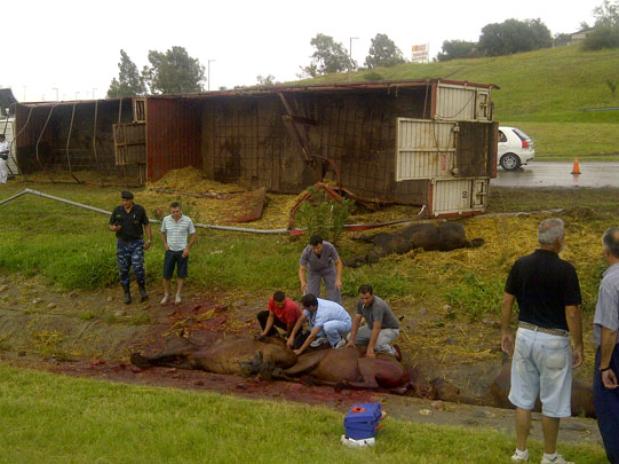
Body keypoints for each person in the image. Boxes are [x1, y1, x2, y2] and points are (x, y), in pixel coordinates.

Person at [500, 218, 583, 464]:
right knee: (552, 400)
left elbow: (507, 300)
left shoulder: (521, 264)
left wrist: (505, 330)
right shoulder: (566, 270)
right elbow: (572, 312)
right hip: (554, 339)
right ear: (558, 241)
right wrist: (578, 344)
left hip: (525, 333)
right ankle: (549, 455)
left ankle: (521, 451)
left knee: (523, 397)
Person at [593, 227, 619, 464]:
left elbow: (610, 329)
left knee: (610, 407)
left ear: (606, 251)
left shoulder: (610, 282)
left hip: (616, 353)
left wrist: (604, 366)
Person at [108, 191, 152, 304]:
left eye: (127, 200)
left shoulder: (139, 210)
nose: (125, 202)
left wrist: (149, 239)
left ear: (132, 200)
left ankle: (142, 289)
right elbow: (110, 224)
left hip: (136, 242)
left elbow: (146, 224)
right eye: (123, 200)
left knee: (138, 267)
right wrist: (113, 228)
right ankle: (126, 293)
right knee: (123, 269)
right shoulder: (117, 210)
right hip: (122, 243)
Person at [347, 284, 400, 359]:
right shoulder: (360, 303)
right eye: (362, 298)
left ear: (372, 295)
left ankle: (393, 351)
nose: (364, 301)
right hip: (371, 327)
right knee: (349, 337)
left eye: (367, 298)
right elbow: (356, 320)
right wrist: (352, 340)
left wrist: (370, 348)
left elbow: (377, 328)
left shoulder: (378, 306)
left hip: (389, 329)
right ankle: (372, 342)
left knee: (376, 346)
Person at [160, 201, 197, 305]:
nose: (175, 213)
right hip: (170, 251)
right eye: (173, 212)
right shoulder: (166, 219)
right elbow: (162, 232)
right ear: (170, 211)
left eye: (177, 211)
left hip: (182, 251)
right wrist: (165, 244)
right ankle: (167, 295)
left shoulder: (187, 220)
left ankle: (178, 295)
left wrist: (187, 248)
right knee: (166, 275)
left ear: (181, 210)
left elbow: (193, 235)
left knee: (181, 274)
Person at [298, 235, 343, 304]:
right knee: (312, 294)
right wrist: (303, 282)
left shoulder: (329, 247)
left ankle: (336, 308)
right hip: (313, 271)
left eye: (318, 248)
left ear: (322, 244)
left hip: (328, 269)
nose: (316, 250)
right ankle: (313, 311)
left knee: (334, 290)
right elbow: (302, 268)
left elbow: (338, 262)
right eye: (314, 248)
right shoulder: (307, 251)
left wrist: (338, 279)